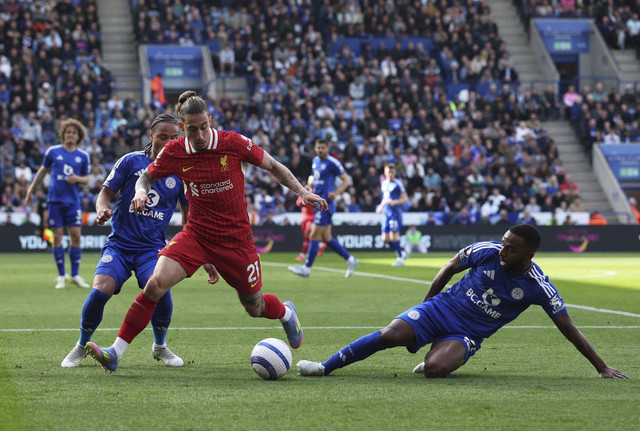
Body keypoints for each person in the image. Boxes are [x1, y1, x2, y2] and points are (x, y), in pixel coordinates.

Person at [85, 91, 327, 372]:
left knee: (254, 306)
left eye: (203, 127)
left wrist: (302, 192)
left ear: (210, 120)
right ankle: (115, 352)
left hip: (236, 240)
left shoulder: (232, 142)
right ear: (182, 126)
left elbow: (272, 166)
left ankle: (286, 312)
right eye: (191, 129)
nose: (199, 135)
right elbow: (147, 175)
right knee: (155, 284)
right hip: (197, 235)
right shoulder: (175, 151)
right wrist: (141, 191)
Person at [296, 225, 628, 380]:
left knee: (435, 370)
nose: (503, 250)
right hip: (441, 309)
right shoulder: (486, 251)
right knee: (389, 335)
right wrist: (426, 305)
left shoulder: (538, 286)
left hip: (467, 332)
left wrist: (601, 367)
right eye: (503, 243)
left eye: (511, 248)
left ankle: (434, 353)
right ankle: (325, 366)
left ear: (530, 253)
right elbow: (449, 267)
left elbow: (568, 328)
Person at [61, 114, 199, 368]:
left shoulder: (181, 172)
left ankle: (160, 346)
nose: (169, 142)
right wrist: (102, 209)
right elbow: (104, 195)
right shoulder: (130, 161)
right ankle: (81, 345)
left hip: (152, 249)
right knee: (99, 290)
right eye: (162, 137)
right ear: (151, 136)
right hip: (120, 246)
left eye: (174, 138)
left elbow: (189, 217)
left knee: (159, 289)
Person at [25, 118, 91, 289]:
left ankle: (75, 275)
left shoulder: (83, 156)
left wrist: (77, 179)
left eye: (74, 133)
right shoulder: (53, 151)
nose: (70, 135)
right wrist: (30, 190)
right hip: (55, 201)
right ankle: (62, 276)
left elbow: (87, 179)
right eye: (68, 132)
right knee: (57, 237)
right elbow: (42, 171)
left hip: (73, 202)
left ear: (78, 137)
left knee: (76, 235)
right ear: (63, 135)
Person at [288, 138, 359, 278]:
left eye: (323, 148)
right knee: (326, 237)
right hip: (317, 202)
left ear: (327, 148)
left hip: (325, 204)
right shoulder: (315, 162)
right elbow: (318, 181)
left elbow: (346, 180)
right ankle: (351, 259)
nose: (320, 150)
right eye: (318, 147)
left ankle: (306, 269)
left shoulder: (333, 163)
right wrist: (310, 188)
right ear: (315, 148)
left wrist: (336, 193)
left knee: (314, 234)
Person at [376, 163, 409, 266]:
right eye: (387, 172)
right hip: (387, 213)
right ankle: (402, 252)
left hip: (395, 213)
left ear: (394, 172)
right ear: (385, 173)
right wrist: (381, 206)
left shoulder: (398, 183)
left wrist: (394, 202)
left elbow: (405, 198)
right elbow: (385, 198)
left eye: (391, 172)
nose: (389, 174)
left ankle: (400, 258)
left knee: (394, 237)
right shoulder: (384, 183)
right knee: (385, 239)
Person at [294, 177, 326, 262]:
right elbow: (298, 203)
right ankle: (320, 245)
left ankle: (302, 255)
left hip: (311, 218)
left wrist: (309, 192)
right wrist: (303, 196)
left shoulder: (315, 193)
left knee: (307, 234)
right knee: (306, 237)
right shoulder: (303, 192)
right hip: (304, 218)